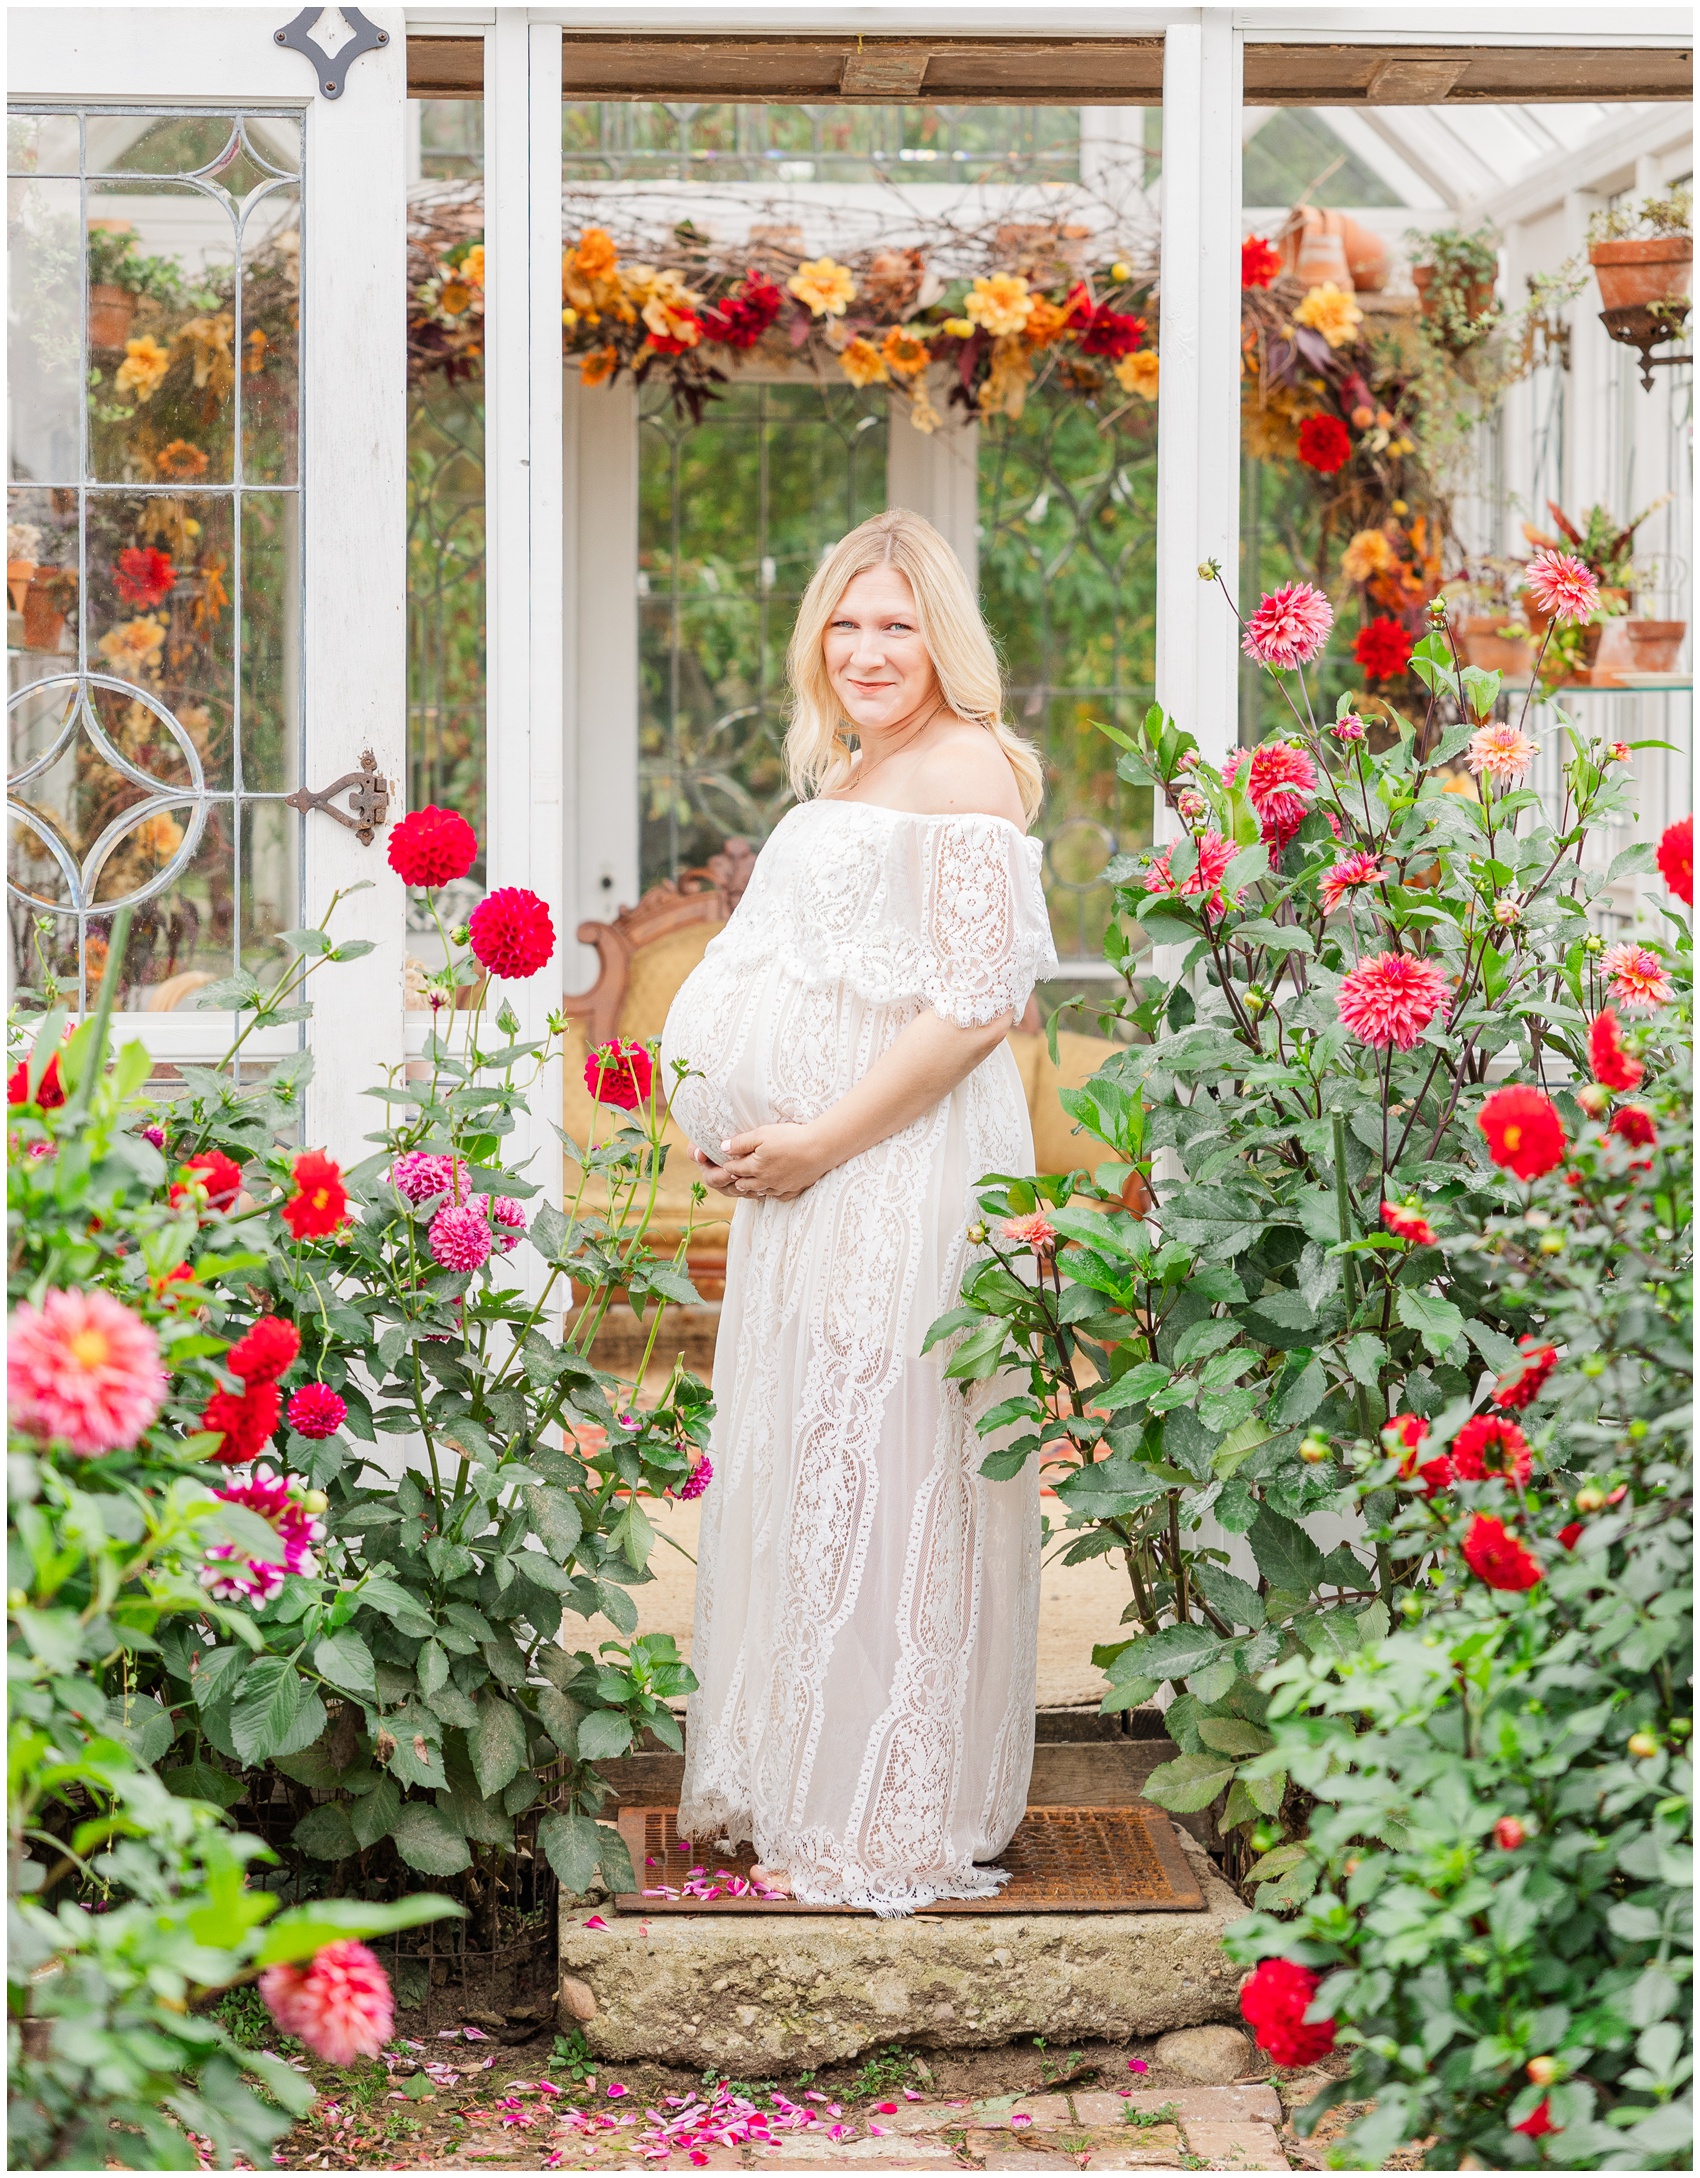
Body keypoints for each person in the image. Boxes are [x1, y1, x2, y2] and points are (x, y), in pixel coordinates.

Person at [658, 508, 1058, 1915]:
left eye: (897, 623)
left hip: (895, 1166)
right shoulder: (856, 762)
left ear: (942, 636)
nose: (870, 648)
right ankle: (818, 1774)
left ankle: (886, 1805)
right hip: (820, 1182)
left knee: (892, 1464)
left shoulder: (964, 770)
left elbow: (972, 1006)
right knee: (829, 1458)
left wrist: (820, 1135)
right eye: (847, 622)